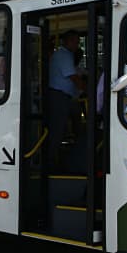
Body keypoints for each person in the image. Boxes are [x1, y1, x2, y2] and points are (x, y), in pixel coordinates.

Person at [46, 30, 85, 163]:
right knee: (57, 128)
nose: (77, 45)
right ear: (66, 42)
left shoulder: (65, 54)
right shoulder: (64, 55)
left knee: (73, 120)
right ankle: (51, 160)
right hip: (59, 96)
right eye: (74, 42)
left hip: (65, 96)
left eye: (78, 43)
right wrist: (87, 90)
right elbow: (73, 77)